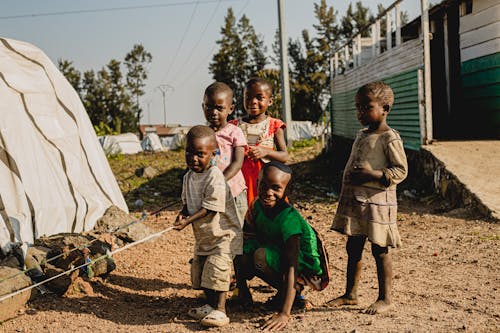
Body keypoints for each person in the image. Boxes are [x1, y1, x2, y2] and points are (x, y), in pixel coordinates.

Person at [326, 81, 408, 314]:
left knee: (380, 249)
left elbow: (400, 170)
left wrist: (373, 175)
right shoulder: (362, 134)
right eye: (358, 107)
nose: (360, 112)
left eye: (366, 107)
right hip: (356, 202)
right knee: (353, 247)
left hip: (377, 204)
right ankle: (350, 294)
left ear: (385, 109)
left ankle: (385, 298)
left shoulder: (389, 138)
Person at [235, 161, 328, 331]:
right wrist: (243, 289)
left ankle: (293, 293)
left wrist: (284, 314)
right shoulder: (256, 206)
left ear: (287, 191)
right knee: (238, 246)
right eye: (263, 185)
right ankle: (243, 294)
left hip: (301, 268)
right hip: (275, 252)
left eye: (276, 188)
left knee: (260, 255)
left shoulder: (289, 220)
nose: (268, 192)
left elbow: (291, 266)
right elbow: (244, 240)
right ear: (257, 183)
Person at [174, 125, 242, 327]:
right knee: (202, 270)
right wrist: (182, 214)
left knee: (218, 270)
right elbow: (187, 203)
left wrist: (187, 221)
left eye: (200, 154)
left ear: (213, 153)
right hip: (205, 235)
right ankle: (210, 305)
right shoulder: (188, 177)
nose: (193, 159)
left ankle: (221, 310)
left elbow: (210, 209)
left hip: (223, 234)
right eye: (189, 153)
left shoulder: (215, 176)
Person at [230, 77, 289, 206]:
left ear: (270, 101)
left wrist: (265, 152)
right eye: (248, 97)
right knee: (243, 213)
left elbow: (284, 156)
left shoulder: (274, 125)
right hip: (240, 180)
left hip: (265, 181)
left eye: (259, 97)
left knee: (266, 213)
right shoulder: (233, 126)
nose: (253, 102)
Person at [202, 82, 248, 225]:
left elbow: (237, 163)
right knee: (216, 229)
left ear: (230, 109)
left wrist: (220, 180)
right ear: (203, 107)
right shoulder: (203, 135)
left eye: (219, 108)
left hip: (234, 191)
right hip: (212, 193)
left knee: (237, 229)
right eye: (209, 107)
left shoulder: (235, 132)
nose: (213, 112)